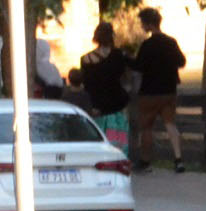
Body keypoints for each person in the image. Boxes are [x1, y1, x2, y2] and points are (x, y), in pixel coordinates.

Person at [129, 7, 186, 173]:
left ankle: (146, 160)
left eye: (142, 23)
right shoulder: (170, 42)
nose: (141, 26)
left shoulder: (147, 45)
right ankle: (178, 159)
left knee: (146, 127)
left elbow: (138, 66)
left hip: (150, 92)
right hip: (169, 90)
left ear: (148, 24)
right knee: (170, 124)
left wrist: (126, 58)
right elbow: (181, 61)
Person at [70, 21, 132, 151]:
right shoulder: (119, 55)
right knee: (118, 142)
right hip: (116, 104)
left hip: (95, 105)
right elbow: (126, 78)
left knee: (97, 140)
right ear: (111, 36)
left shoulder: (86, 59)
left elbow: (86, 82)